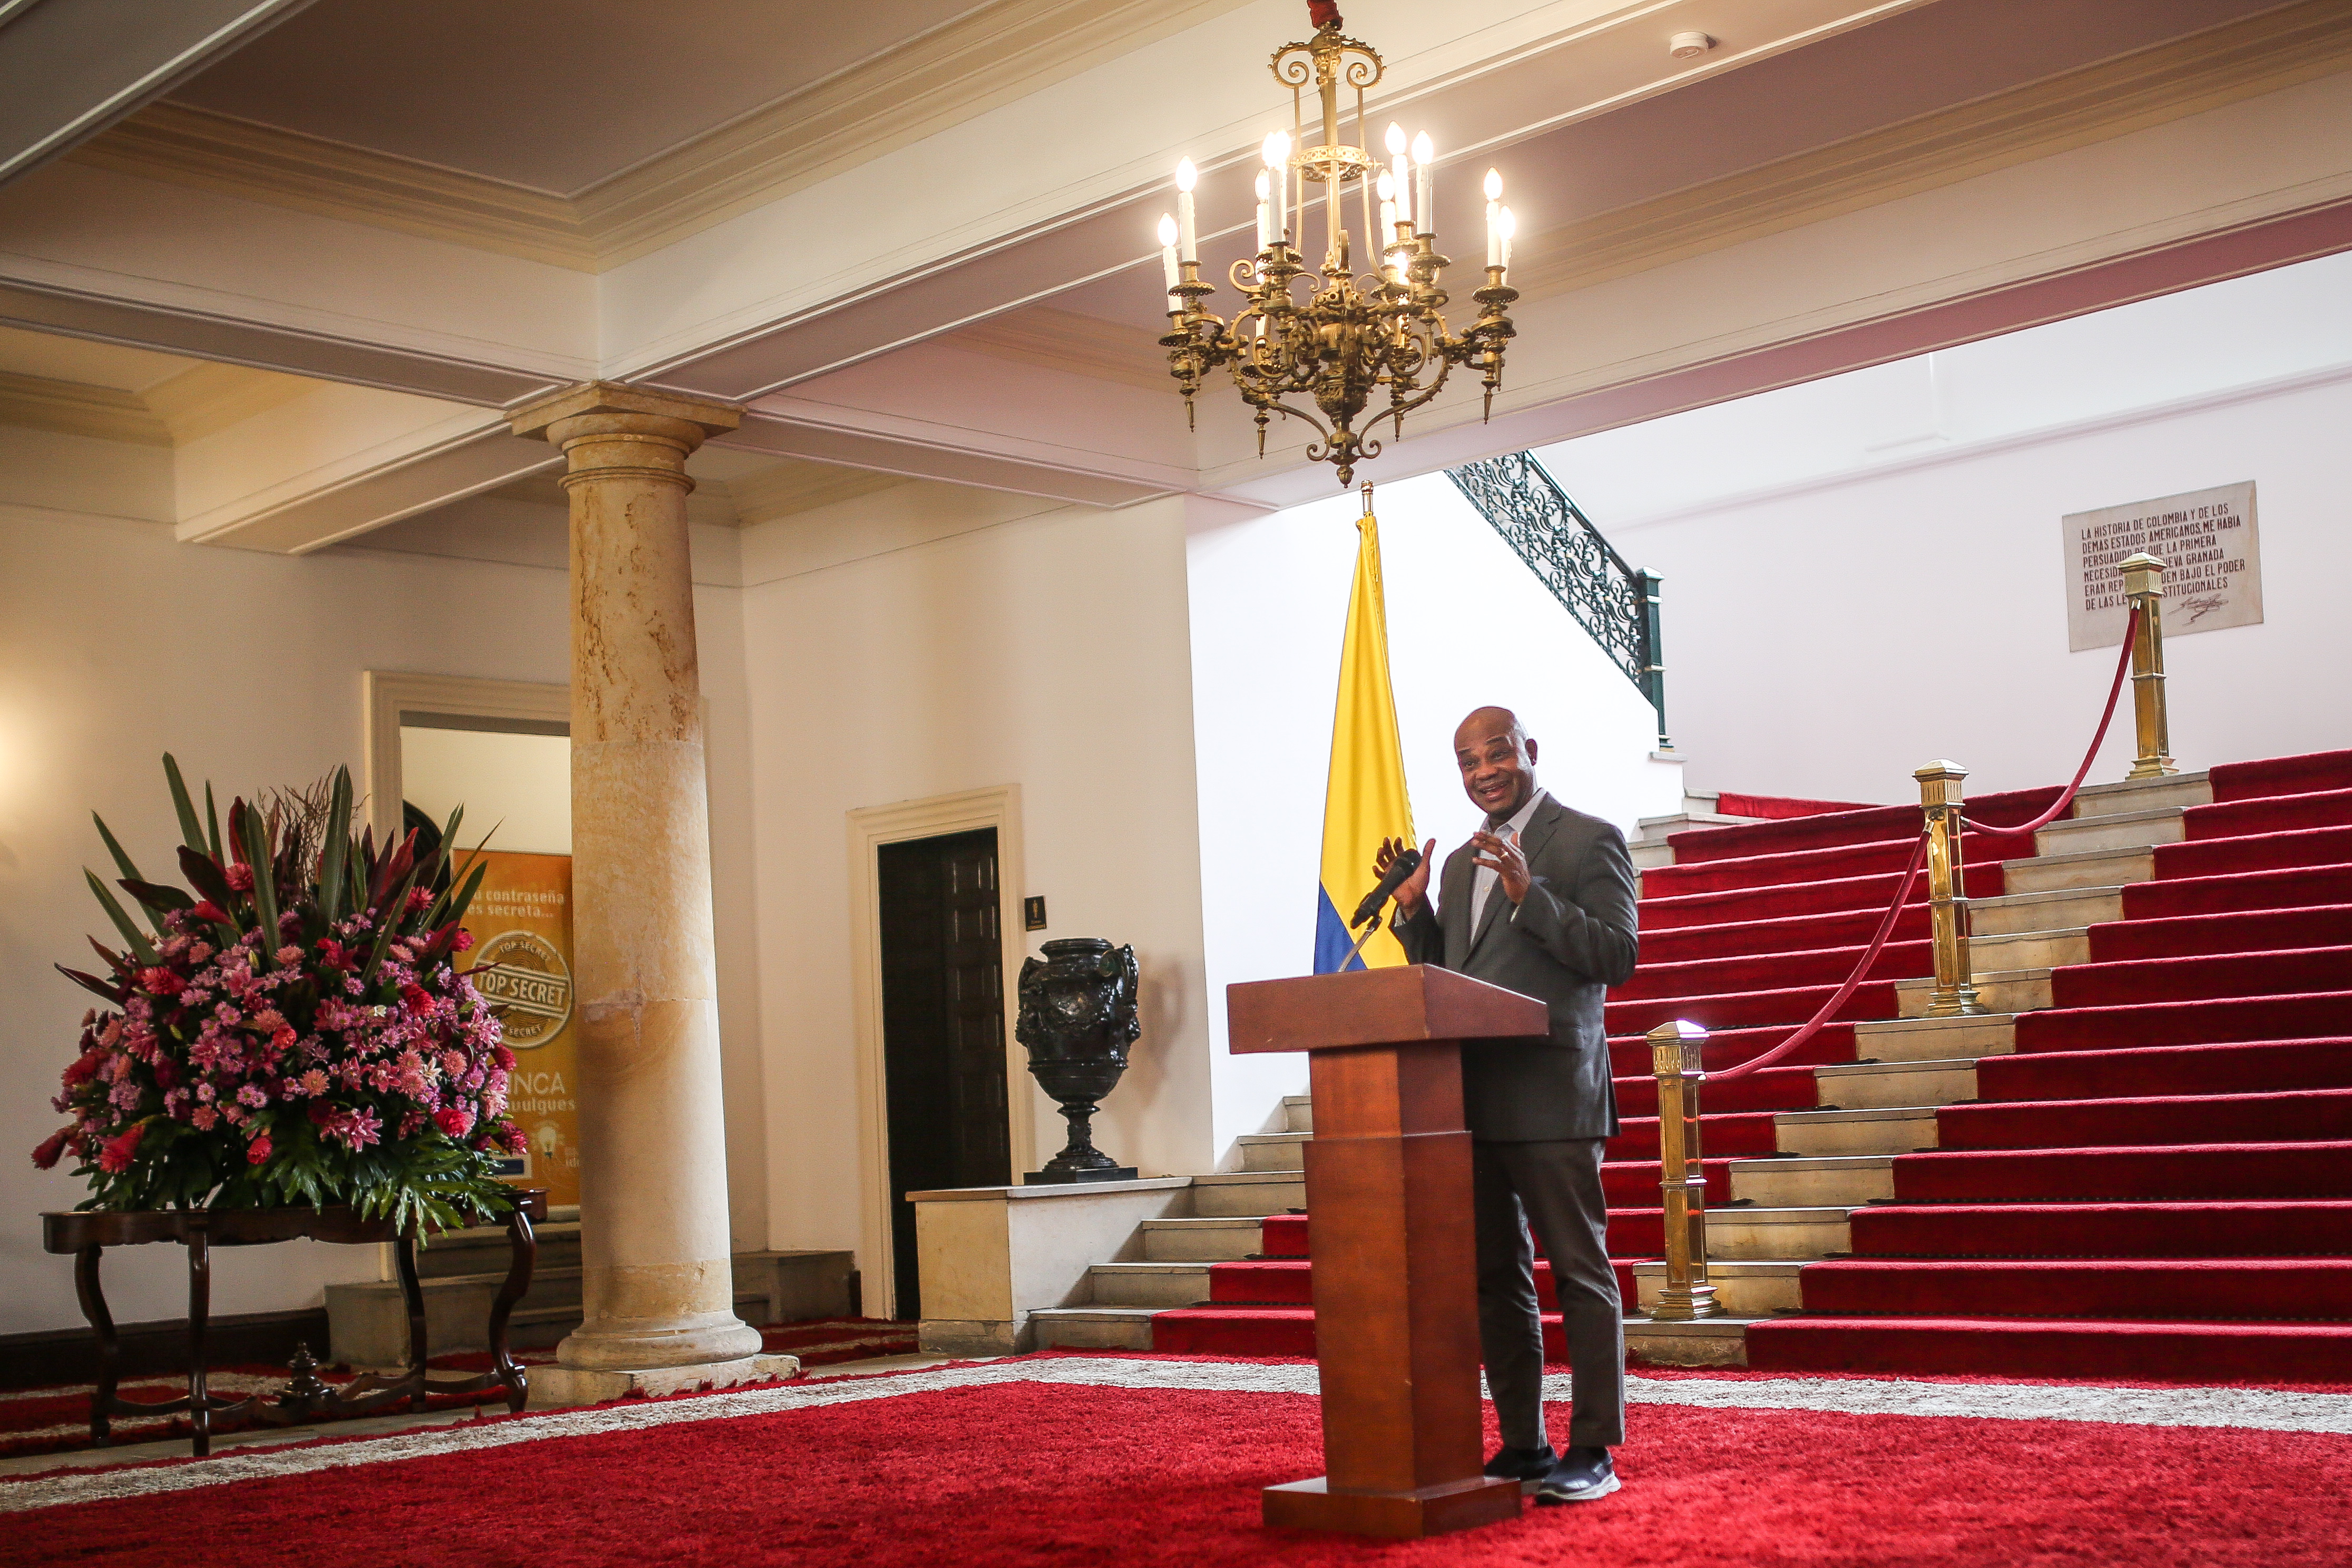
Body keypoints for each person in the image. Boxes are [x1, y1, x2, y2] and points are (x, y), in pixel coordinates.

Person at [1375, 704, 1640, 1505]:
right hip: (1474, 1100)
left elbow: (1618, 956)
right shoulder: (1456, 864)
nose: (1483, 771)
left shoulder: (1588, 839)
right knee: (1497, 1277)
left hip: (1554, 1092)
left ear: (1529, 750)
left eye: (1497, 753)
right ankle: (1524, 1443)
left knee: (1580, 1271)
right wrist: (1417, 912)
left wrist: (1532, 896)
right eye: (1467, 762)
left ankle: (1594, 1447)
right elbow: (1450, 982)